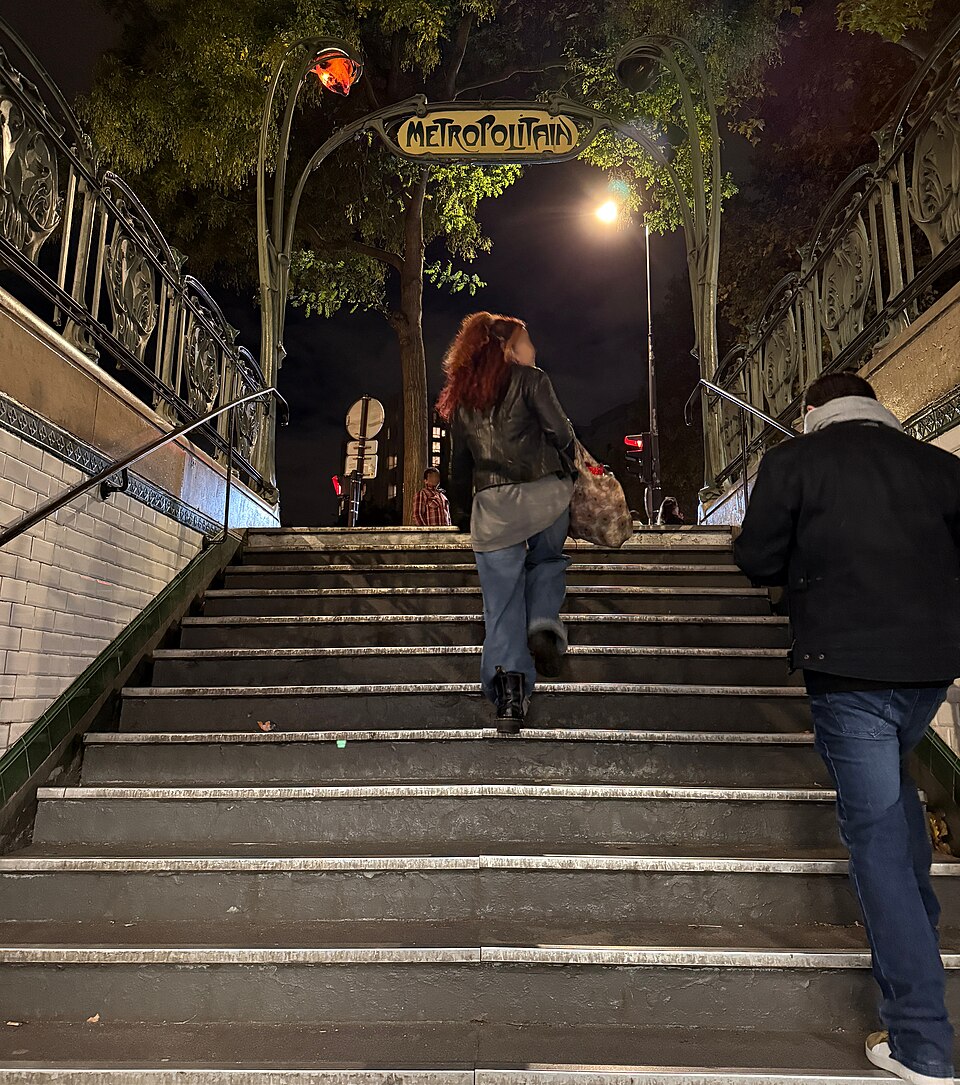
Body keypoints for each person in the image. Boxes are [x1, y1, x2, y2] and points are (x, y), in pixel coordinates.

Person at [733, 371, 960, 1085]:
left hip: (848, 673)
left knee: (878, 847)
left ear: (811, 412)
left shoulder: (797, 462)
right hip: (928, 674)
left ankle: (921, 1040)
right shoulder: (939, 466)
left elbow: (757, 557)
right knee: (898, 819)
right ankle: (921, 975)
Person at [438, 311, 576, 732]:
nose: (533, 349)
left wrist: (463, 516)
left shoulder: (464, 401)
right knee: (548, 560)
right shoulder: (533, 380)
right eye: (526, 340)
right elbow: (561, 432)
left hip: (494, 506)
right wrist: (570, 469)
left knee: (500, 607)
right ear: (509, 349)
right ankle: (543, 623)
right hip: (545, 495)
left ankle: (511, 697)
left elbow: (457, 468)